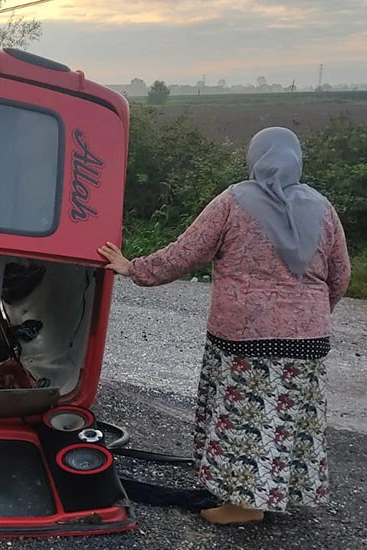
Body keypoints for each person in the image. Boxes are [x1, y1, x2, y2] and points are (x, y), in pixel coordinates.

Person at [98, 126, 351, 525]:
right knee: (288, 417)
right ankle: (276, 489)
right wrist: (312, 315)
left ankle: (242, 506)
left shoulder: (235, 201)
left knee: (246, 416)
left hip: (245, 338)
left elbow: (187, 253)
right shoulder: (323, 208)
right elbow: (340, 276)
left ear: (256, 157)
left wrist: (134, 268)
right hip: (308, 339)